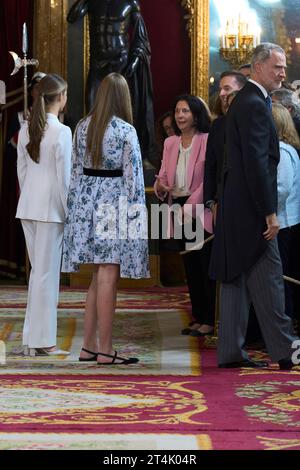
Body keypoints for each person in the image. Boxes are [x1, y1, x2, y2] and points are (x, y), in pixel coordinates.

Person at [209, 43, 299, 370]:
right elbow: (257, 164)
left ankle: (230, 352)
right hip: (252, 210)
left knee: (235, 276)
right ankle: (286, 353)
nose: (283, 72)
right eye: (278, 66)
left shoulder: (246, 101)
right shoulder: (254, 104)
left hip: (237, 206)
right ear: (259, 67)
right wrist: (269, 212)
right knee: (271, 279)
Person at [62, 72, 149, 365]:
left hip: (86, 204)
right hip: (113, 206)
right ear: (124, 98)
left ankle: (88, 346)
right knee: (108, 277)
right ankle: (106, 349)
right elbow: (134, 180)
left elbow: (74, 173)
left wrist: (75, 212)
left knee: (97, 278)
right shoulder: (126, 131)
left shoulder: (82, 126)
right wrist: (137, 220)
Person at [16, 74, 72, 356]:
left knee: (38, 273)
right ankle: (44, 340)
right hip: (51, 210)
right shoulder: (62, 132)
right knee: (46, 276)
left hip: (29, 206)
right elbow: (64, 180)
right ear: (60, 98)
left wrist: (29, 196)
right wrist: (68, 210)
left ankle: (32, 337)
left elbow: (22, 171)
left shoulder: (27, 128)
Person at [154, 94, 215, 337]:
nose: (180, 116)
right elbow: (163, 176)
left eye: (185, 111)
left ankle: (210, 318)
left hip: (200, 208)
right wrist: (160, 186)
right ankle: (198, 316)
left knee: (204, 265)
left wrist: (190, 207)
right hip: (176, 207)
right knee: (189, 266)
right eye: (178, 111)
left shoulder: (207, 140)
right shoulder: (171, 143)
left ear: (196, 115)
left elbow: (209, 178)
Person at [67, 0, 156, 165]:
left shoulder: (130, 2)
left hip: (120, 63)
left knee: (123, 115)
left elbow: (141, 38)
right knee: (92, 112)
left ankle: (125, 160)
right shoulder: (92, 3)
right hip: (97, 64)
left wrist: (134, 62)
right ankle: (93, 159)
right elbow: (72, 17)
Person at [272, 102, 300, 319]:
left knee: (280, 279)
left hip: (281, 222)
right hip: (280, 221)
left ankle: (283, 327)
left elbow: (280, 189)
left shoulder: (282, 151)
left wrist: (263, 212)